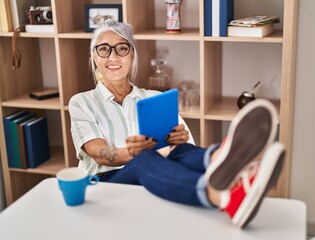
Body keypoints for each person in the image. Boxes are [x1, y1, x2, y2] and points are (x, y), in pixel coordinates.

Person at [69, 20, 285, 229]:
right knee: (144, 158)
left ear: (132, 55)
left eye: (122, 49)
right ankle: (220, 196)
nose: (113, 56)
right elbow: (97, 153)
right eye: (104, 49)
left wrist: (176, 140)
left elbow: (176, 149)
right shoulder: (82, 102)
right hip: (104, 185)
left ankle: (223, 158)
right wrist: (130, 153)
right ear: (94, 57)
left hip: (152, 174)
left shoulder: (152, 98)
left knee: (179, 149)